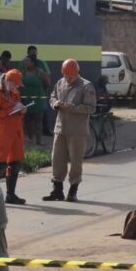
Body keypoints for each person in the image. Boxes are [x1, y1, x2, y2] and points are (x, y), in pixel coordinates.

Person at [43, 59, 96, 203]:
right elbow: (52, 96)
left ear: (77, 73)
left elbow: (91, 108)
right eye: (65, 76)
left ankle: (73, 190)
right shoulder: (60, 83)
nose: (67, 79)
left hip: (77, 131)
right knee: (57, 159)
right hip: (60, 128)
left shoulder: (86, 86)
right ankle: (57, 189)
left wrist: (72, 107)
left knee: (75, 161)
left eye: (70, 76)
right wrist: (55, 104)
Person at [0, 69, 27, 205]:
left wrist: (22, 110)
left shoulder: (15, 93)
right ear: (8, 82)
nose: (17, 87)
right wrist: (11, 110)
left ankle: (11, 194)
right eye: (15, 84)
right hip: (3, 131)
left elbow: (18, 111)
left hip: (16, 131)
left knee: (15, 163)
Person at [20, 56, 50, 146]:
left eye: (28, 61)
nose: (25, 63)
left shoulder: (40, 72)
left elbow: (47, 84)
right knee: (28, 120)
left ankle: (39, 141)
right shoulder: (23, 72)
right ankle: (30, 139)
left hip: (38, 99)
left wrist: (40, 93)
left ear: (33, 63)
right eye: (25, 61)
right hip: (27, 99)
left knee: (38, 120)